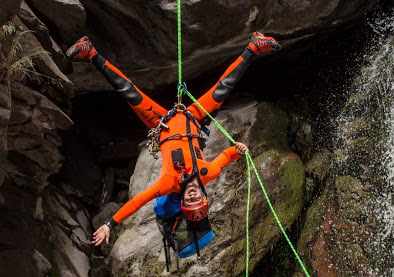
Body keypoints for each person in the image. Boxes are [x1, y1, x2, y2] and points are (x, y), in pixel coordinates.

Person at [65, 32, 280, 256]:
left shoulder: (170, 183)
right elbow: (226, 156)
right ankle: (255, 46)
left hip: (161, 122)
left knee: (128, 92)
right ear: (204, 197)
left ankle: (89, 52)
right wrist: (239, 150)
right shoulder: (208, 172)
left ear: (184, 201)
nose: (194, 197)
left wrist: (109, 224)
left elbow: (137, 202)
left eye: (190, 201)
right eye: (198, 200)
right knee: (223, 88)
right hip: (194, 117)